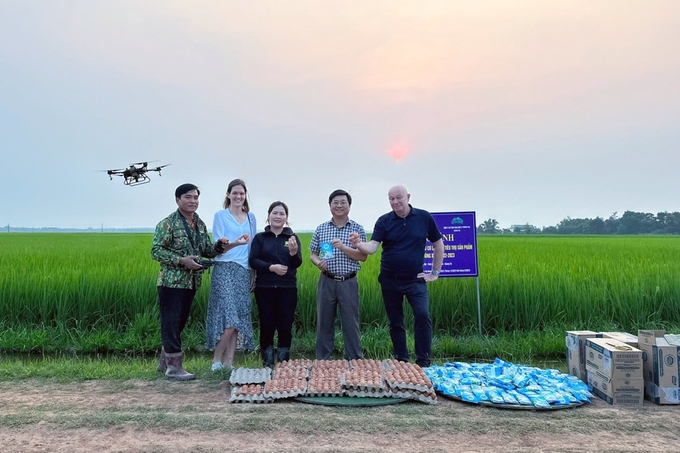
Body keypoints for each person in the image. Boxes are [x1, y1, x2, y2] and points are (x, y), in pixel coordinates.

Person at [350, 184, 444, 368]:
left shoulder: (424, 217)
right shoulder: (384, 221)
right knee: (396, 321)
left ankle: (423, 361)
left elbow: (438, 244)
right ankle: (402, 360)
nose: (395, 201)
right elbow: (372, 247)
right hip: (389, 279)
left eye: (398, 197)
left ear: (408, 197)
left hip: (415, 280)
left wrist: (435, 272)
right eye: (391, 199)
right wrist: (359, 244)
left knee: (422, 315)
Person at [151, 183, 229, 381]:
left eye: (195, 197)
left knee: (179, 323)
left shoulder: (199, 224)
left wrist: (219, 246)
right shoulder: (167, 223)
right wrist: (181, 261)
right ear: (178, 200)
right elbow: (156, 251)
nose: (193, 201)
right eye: (188, 197)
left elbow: (206, 250)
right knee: (170, 323)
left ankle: (164, 363)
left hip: (192, 282)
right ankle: (174, 368)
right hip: (171, 282)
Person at [205, 179, 256, 372]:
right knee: (230, 317)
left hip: (243, 271)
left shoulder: (251, 217)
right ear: (228, 195)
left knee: (239, 318)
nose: (238, 196)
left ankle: (229, 363)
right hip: (224, 268)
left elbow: (251, 249)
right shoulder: (221, 216)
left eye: (241, 193)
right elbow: (219, 248)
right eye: (234, 193)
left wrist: (253, 274)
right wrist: (235, 243)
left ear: (245, 195)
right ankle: (216, 359)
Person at [309, 189, 367, 360]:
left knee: (351, 323)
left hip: (348, 281)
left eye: (343, 202)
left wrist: (343, 247)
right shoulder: (322, 229)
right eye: (335, 202)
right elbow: (313, 253)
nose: (339, 205)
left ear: (349, 206)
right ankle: (323, 361)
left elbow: (362, 256)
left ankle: (354, 360)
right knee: (324, 322)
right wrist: (318, 262)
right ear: (330, 206)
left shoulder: (357, 229)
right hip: (327, 280)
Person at [249, 201, 303, 367]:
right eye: (275, 213)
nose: (278, 216)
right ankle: (267, 363)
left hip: (287, 288)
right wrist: (271, 267)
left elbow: (297, 263)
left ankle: (283, 363)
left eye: (281, 214)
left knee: (285, 325)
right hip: (264, 288)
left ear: (286, 218)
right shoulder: (260, 238)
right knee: (266, 324)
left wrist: (293, 253)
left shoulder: (292, 238)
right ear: (268, 216)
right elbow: (253, 260)